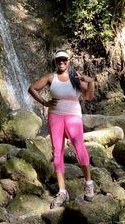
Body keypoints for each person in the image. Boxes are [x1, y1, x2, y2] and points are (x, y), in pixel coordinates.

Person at [28, 49, 96, 208]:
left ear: (68, 61)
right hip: (55, 117)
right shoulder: (50, 77)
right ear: (56, 62)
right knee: (57, 151)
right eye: (59, 60)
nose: (61, 62)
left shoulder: (75, 78)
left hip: (73, 116)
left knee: (80, 147)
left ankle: (89, 184)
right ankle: (62, 191)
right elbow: (32, 88)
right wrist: (44, 102)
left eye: (64, 60)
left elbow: (89, 96)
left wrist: (90, 82)